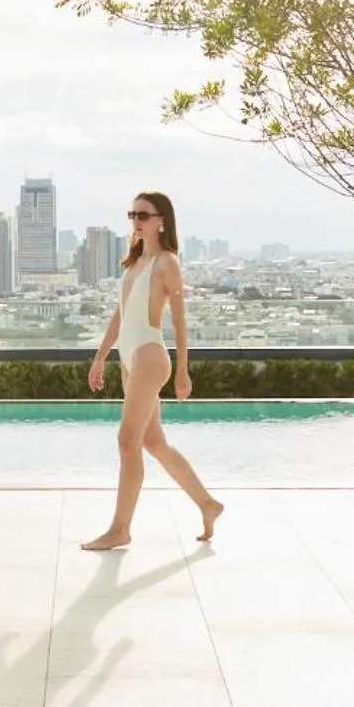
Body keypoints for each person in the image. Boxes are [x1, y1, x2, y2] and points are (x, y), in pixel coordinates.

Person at [80, 191, 224, 550]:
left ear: (162, 220)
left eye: (143, 215)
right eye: (132, 215)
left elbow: (179, 321)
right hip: (129, 358)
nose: (136, 221)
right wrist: (100, 357)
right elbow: (121, 314)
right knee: (153, 442)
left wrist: (183, 371)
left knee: (127, 440)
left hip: (149, 355)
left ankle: (120, 528)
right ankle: (208, 504)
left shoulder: (166, 263)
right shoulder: (134, 263)